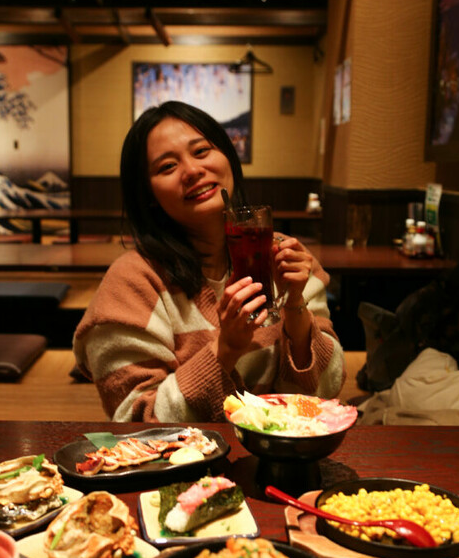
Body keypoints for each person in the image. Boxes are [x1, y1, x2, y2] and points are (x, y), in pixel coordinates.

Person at [73, 101, 345, 423]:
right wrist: (226, 348)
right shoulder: (133, 283)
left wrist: (295, 304)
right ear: (148, 195)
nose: (192, 171)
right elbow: (135, 421)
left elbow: (327, 393)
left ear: (228, 157)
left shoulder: (287, 258)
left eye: (201, 152)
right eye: (167, 167)